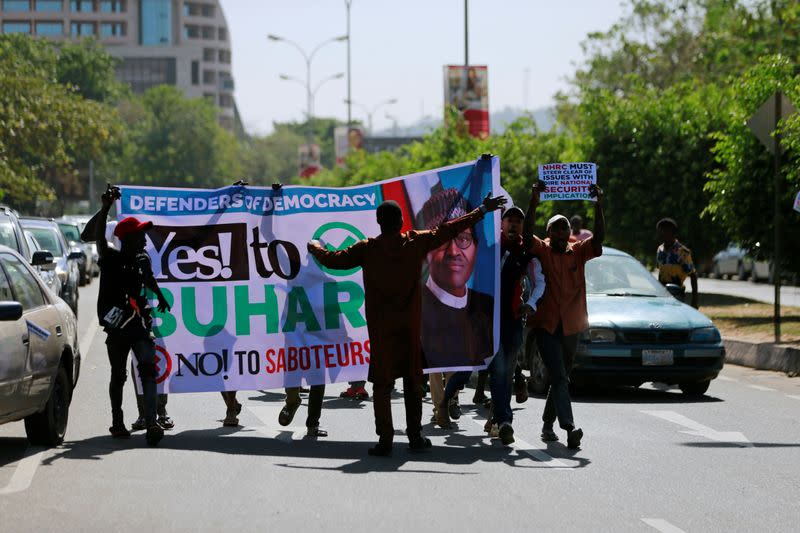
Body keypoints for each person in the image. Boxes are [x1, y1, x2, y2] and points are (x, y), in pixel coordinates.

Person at [307, 193, 506, 456]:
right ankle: (414, 437)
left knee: (382, 385)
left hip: (381, 330)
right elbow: (447, 230)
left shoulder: (367, 248)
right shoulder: (413, 242)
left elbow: (333, 259)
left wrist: (314, 247)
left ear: (378, 222)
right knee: (412, 384)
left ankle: (385, 440)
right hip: (410, 329)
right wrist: (480, 210)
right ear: (401, 220)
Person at [436, 206, 545, 444]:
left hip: (512, 321)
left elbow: (539, 281)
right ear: (501, 224)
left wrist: (532, 304)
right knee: (481, 368)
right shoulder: (489, 248)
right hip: (482, 318)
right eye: (510, 220)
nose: (514, 224)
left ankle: (498, 422)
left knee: (502, 372)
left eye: (519, 221)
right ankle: (458, 400)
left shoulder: (526, 253)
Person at [523, 182, 605, 449]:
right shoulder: (542, 250)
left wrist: (598, 205)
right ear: (547, 233)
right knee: (558, 375)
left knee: (561, 377)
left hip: (572, 326)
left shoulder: (578, 252)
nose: (560, 232)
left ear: (570, 232)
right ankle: (569, 427)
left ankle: (547, 425)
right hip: (545, 327)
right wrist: (534, 201)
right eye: (555, 228)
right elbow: (526, 235)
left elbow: (600, 238)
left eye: (564, 228)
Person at [88, 185, 171, 446]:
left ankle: (152, 421)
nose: (145, 240)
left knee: (148, 369)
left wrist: (162, 298)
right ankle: (117, 421)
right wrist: (105, 208)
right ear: (128, 238)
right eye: (140, 235)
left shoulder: (142, 259)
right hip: (116, 326)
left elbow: (150, 280)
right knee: (118, 375)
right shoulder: (110, 258)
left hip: (139, 324)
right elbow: (100, 238)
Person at [419, 189, 493, 369]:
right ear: (425, 252)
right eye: (442, 240)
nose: (453, 252)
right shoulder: (415, 305)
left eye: (463, 238)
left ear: (476, 247)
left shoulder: (489, 307)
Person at [656, 218, 699, 309]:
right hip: (662, 295)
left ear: (672, 233)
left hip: (677, 295)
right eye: (659, 232)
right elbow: (660, 272)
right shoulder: (660, 250)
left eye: (663, 232)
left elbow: (693, 275)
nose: (660, 235)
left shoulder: (682, 252)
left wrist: (694, 301)